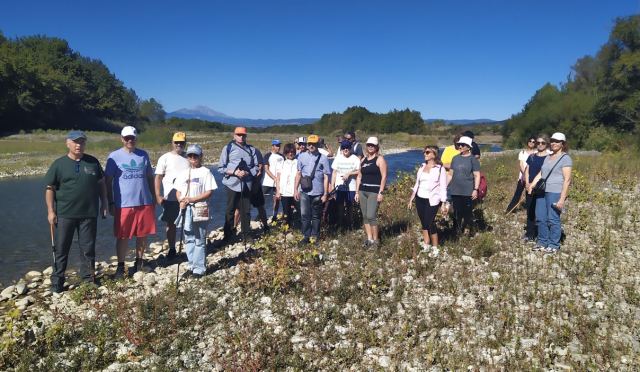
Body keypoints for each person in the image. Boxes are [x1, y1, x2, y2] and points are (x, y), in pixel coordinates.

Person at [44, 130, 108, 293]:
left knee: (88, 249)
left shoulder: (93, 162)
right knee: (61, 249)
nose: (78, 145)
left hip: (89, 214)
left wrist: (105, 203)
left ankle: (88, 280)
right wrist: (51, 211)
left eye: (81, 142)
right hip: (65, 215)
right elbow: (50, 189)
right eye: (75, 142)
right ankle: (57, 282)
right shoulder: (59, 164)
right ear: (68, 143)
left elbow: (102, 184)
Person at [105, 126, 156, 278]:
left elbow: (149, 178)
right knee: (123, 236)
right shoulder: (114, 157)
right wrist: (110, 202)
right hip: (123, 204)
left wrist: (154, 196)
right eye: (127, 138)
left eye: (132, 138)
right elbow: (107, 181)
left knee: (142, 234)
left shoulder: (143, 155)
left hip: (144, 201)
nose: (130, 140)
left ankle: (139, 262)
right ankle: (121, 267)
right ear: (122, 139)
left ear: (136, 139)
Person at [175, 145, 217, 278]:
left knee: (199, 238)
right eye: (190, 156)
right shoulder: (183, 173)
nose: (192, 158)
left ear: (200, 157)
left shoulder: (206, 172)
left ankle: (199, 269)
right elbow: (178, 191)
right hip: (186, 208)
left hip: (199, 208)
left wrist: (193, 199)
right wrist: (180, 200)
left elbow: (209, 192)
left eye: (195, 156)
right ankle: (191, 265)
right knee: (189, 238)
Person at [528, 132, 572, 254]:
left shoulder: (565, 158)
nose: (554, 143)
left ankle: (554, 244)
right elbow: (542, 173)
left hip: (555, 192)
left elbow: (567, 180)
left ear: (562, 144)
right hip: (542, 190)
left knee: (553, 218)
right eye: (552, 141)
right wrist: (532, 184)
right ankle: (542, 241)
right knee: (541, 217)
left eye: (557, 141)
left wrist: (562, 199)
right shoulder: (548, 157)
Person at [218, 126, 259, 242]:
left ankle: (246, 235)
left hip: (246, 185)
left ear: (246, 136)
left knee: (246, 211)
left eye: (243, 135)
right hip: (232, 184)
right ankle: (228, 235)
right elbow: (221, 168)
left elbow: (256, 167)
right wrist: (235, 172)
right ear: (234, 135)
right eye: (238, 135)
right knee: (230, 210)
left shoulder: (252, 150)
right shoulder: (228, 148)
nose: (241, 137)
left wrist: (247, 172)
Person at [154, 132, 190, 260]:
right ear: (172, 143)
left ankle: (189, 247)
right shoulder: (165, 158)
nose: (179, 145)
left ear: (185, 143)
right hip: (170, 198)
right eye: (177, 142)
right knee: (171, 224)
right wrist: (158, 195)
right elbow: (158, 177)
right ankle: (172, 249)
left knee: (189, 223)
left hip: (187, 198)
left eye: (181, 142)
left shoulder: (189, 157)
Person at [407, 146, 448, 251]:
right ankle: (426, 243)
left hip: (432, 200)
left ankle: (435, 247)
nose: (424, 154)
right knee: (423, 222)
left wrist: (443, 203)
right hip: (420, 199)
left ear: (434, 154)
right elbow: (417, 184)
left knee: (429, 222)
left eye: (427, 152)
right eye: (424, 152)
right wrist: (411, 199)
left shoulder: (440, 169)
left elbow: (443, 187)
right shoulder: (422, 167)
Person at [294, 134, 331, 245]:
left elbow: (326, 177)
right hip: (304, 191)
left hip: (318, 191)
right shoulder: (301, 156)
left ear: (318, 145)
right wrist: (295, 189)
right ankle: (306, 236)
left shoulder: (323, 158)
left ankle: (315, 237)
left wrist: (325, 193)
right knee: (304, 215)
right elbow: (298, 173)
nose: (311, 146)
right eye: (309, 144)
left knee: (316, 216)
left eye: (314, 144)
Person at [355, 137, 387, 246]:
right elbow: (359, 176)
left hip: (374, 191)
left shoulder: (380, 159)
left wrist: (381, 192)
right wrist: (356, 192)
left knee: (371, 215)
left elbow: (384, 177)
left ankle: (375, 240)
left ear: (377, 147)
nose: (370, 147)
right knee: (365, 216)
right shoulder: (363, 160)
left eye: (373, 145)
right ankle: (369, 239)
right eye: (369, 145)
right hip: (362, 191)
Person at [447, 136, 481, 237]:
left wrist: (475, 189)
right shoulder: (455, 158)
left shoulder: (473, 160)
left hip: (468, 191)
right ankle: (456, 232)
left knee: (467, 213)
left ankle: (467, 230)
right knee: (456, 213)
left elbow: (477, 175)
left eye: (462, 145)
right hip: (455, 190)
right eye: (459, 144)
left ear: (468, 147)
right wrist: (444, 186)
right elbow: (450, 174)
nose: (460, 146)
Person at [330, 140, 361, 230]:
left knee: (350, 206)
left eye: (347, 147)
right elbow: (334, 173)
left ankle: (349, 224)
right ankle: (340, 224)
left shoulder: (355, 159)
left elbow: (359, 171)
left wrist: (349, 174)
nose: (346, 149)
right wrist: (332, 186)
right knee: (339, 206)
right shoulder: (338, 158)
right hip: (339, 186)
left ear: (350, 148)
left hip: (351, 187)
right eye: (344, 148)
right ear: (341, 149)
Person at [523, 135, 549, 243]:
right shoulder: (532, 156)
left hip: (542, 188)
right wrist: (527, 183)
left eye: (543, 143)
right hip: (530, 187)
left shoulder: (548, 158)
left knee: (542, 212)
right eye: (538, 143)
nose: (540, 144)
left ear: (546, 144)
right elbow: (527, 170)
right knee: (530, 211)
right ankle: (530, 234)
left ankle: (543, 234)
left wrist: (533, 185)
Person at [505, 136, 537, 213]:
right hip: (522, 178)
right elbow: (521, 165)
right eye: (530, 141)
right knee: (517, 194)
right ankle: (509, 210)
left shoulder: (537, 153)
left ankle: (531, 211)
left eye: (533, 141)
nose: (531, 143)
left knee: (530, 195)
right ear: (527, 142)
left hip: (533, 178)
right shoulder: (522, 152)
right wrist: (526, 175)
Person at [275, 143, 298, 226]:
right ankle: (287, 229)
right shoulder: (282, 163)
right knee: (286, 212)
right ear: (285, 153)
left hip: (295, 192)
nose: (290, 154)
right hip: (284, 192)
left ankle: (298, 228)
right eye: (288, 152)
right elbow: (278, 178)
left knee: (300, 211)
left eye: (292, 152)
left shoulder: (297, 162)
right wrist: (278, 191)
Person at [262, 139, 285, 221]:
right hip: (267, 182)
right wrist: (274, 178)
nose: (278, 147)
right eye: (276, 145)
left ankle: (274, 216)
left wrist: (279, 180)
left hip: (278, 183)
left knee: (276, 199)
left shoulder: (282, 157)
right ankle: (261, 216)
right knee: (262, 199)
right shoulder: (267, 155)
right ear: (273, 146)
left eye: (279, 145)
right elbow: (266, 169)